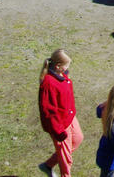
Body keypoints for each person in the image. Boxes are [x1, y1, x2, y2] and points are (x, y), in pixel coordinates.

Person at [39, 48, 84, 177]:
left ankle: (47, 165)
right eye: (66, 65)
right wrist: (58, 131)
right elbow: (48, 110)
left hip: (69, 117)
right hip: (60, 125)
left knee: (78, 139)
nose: (68, 68)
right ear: (58, 66)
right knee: (66, 158)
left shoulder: (63, 76)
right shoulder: (48, 83)